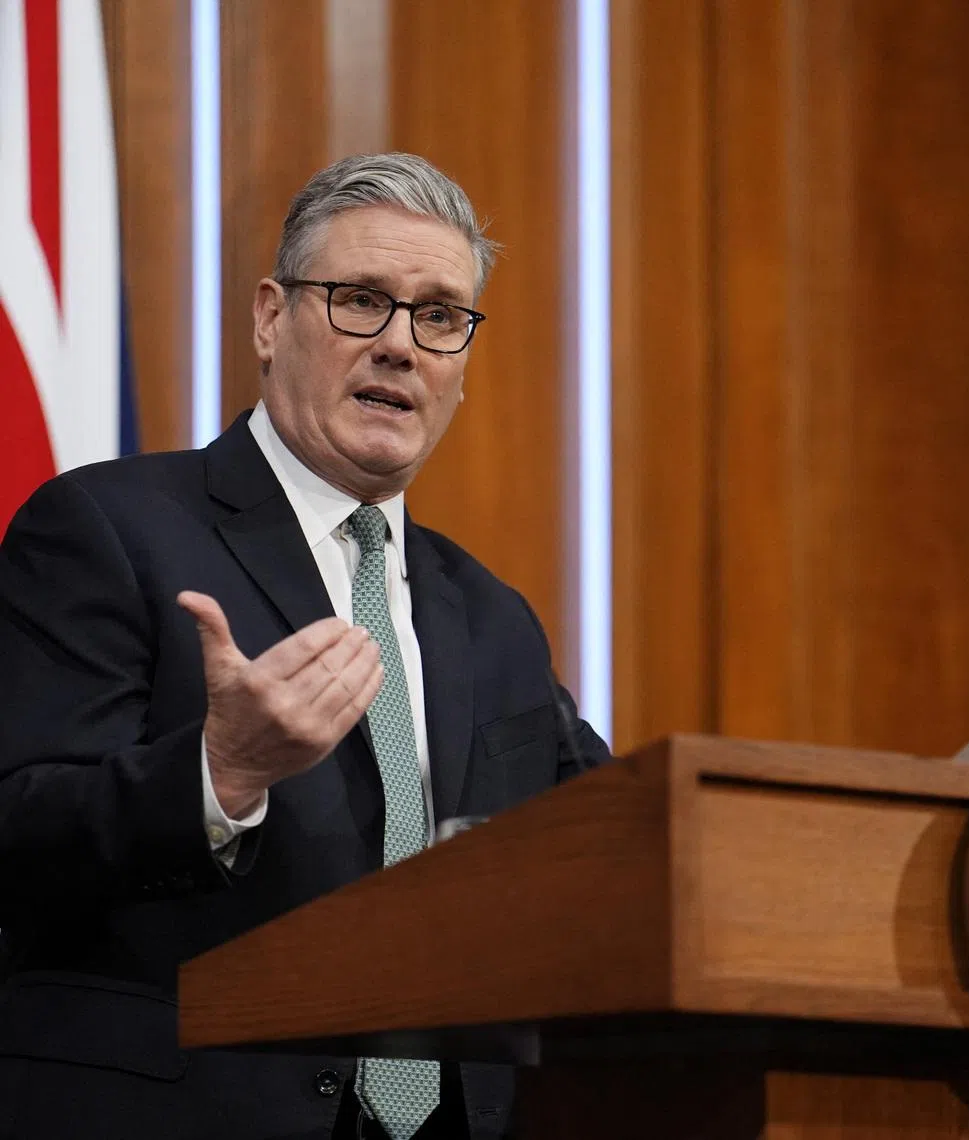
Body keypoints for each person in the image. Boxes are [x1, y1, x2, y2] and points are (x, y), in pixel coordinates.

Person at [0, 152, 609, 1140]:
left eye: (440, 316)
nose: (401, 345)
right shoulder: (107, 528)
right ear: (270, 319)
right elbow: (16, 832)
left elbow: (606, 839)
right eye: (363, 300)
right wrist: (217, 772)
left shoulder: (492, 617)